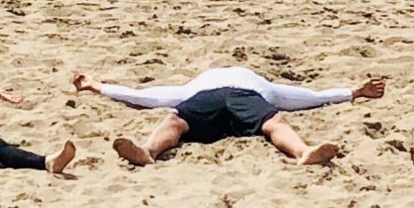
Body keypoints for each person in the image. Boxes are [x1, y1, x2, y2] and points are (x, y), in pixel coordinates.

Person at [72, 66, 385, 168]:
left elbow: (307, 97)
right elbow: (147, 96)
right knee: (173, 120)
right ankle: (147, 152)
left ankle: (303, 152)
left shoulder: (262, 85)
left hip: (245, 98)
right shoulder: (195, 85)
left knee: (275, 121)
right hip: (207, 99)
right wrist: (98, 86)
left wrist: (354, 92)